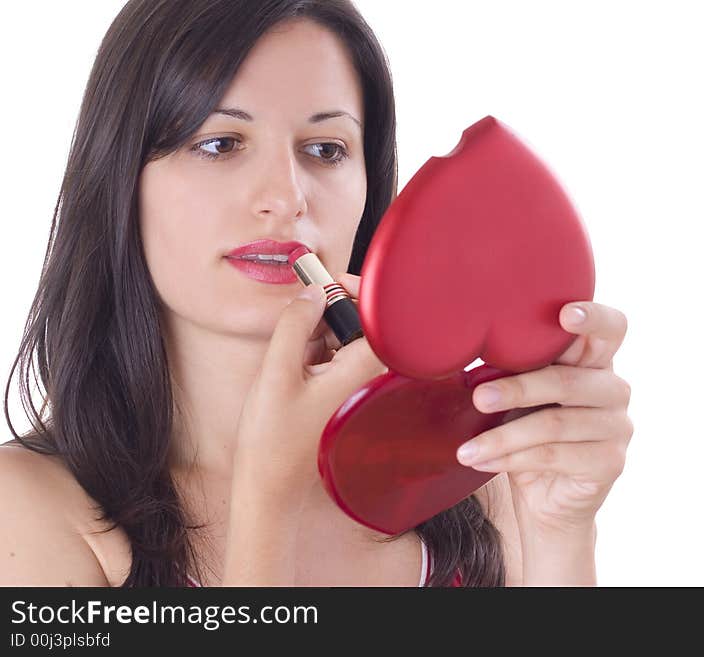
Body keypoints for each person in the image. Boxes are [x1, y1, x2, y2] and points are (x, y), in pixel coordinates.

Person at [1, 0, 632, 587]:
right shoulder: (27, 511)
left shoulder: (473, 475)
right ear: (120, 179)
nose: (287, 197)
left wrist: (559, 535)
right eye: (220, 144)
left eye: (325, 149)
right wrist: (269, 504)